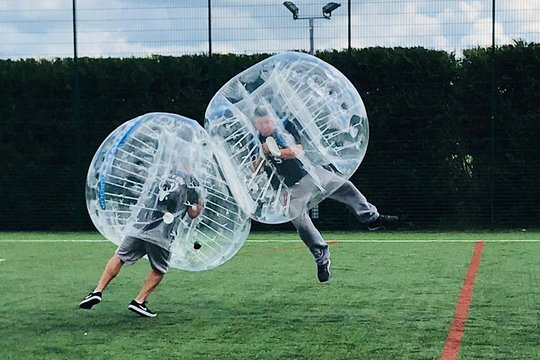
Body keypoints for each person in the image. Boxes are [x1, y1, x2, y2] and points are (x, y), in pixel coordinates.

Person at [252, 107, 398, 283]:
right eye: (261, 123)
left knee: (346, 187)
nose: (265, 126)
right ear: (256, 124)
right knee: (301, 223)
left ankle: (371, 218)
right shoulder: (255, 140)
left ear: (273, 120)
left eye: (268, 122)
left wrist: (276, 151)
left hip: (310, 175)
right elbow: (255, 170)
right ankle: (322, 259)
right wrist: (262, 155)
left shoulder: (285, 129)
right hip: (289, 190)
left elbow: (298, 150)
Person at [79, 172, 203, 317]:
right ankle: (139, 301)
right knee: (159, 270)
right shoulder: (192, 183)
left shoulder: (163, 171)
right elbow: (193, 213)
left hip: (140, 225)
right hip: (162, 233)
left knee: (119, 257)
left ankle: (97, 291)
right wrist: (201, 199)